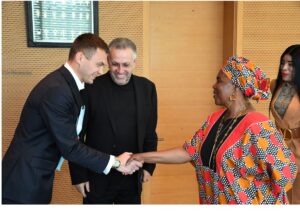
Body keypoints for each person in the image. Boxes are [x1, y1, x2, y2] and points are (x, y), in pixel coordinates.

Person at [130, 56, 297, 204]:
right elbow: (188, 152)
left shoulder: (259, 126)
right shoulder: (214, 119)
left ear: (235, 88)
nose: (213, 85)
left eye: (219, 80)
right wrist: (141, 157)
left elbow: (286, 173)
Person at [2, 33, 142, 204]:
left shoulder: (66, 84)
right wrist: (116, 162)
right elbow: (71, 147)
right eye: (99, 64)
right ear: (81, 57)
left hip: (35, 174)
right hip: (23, 180)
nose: (101, 71)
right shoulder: (58, 90)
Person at [69, 37, 158, 204]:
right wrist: (78, 175)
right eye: (115, 64)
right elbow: (77, 135)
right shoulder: (90, 86)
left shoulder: (147, 88)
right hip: (97, 177)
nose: (120, 70)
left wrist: (149, 166)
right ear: (108, 60)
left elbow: (150, 132)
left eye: (126, 65)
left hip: (132, 176)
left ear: (134, 62)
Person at [269, 45, 300, 204]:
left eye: (291, 64)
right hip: (278, 149)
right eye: (283, 63)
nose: (285, 68)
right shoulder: (275, 85)